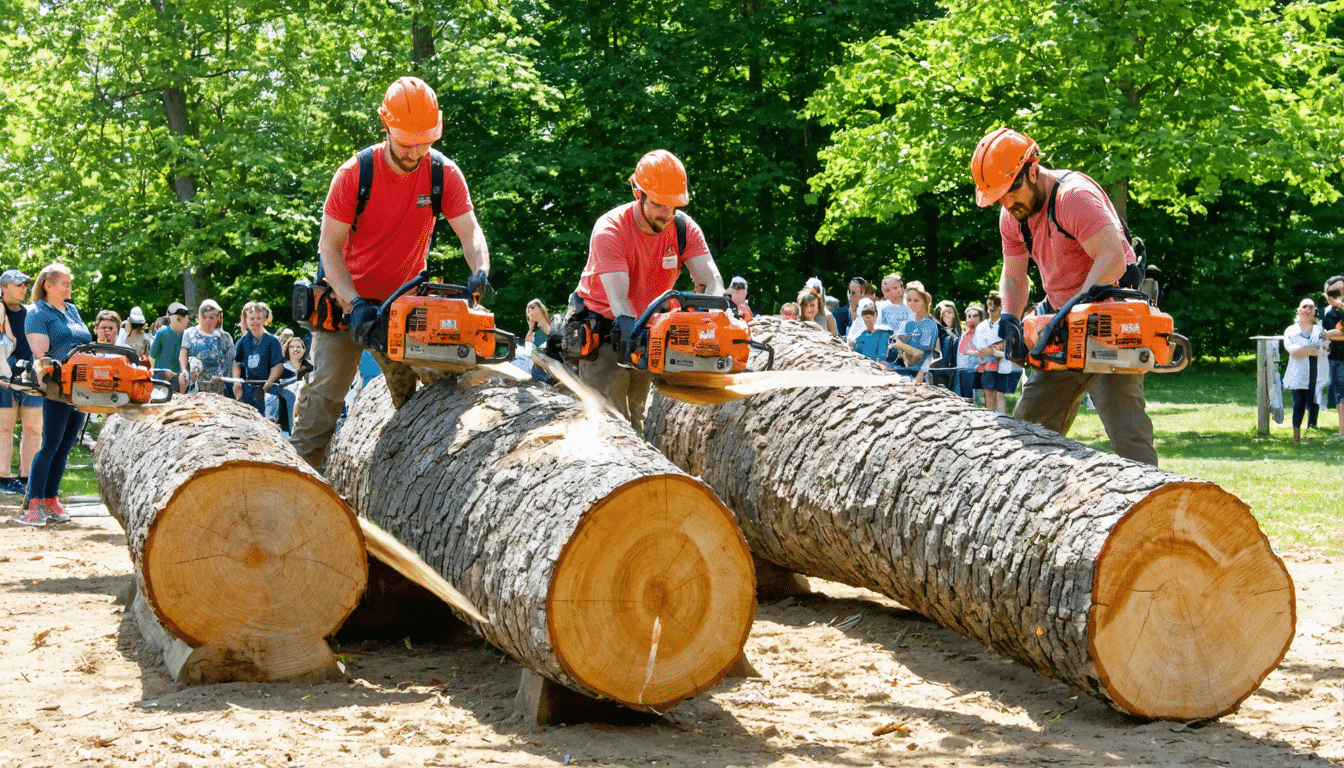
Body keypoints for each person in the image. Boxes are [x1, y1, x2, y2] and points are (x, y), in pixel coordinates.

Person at [290, 75, 491, 469]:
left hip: (405, 301)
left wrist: (479, 271)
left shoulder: (443, 174)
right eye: (406, 141)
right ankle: (296, 484)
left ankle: (412, 475)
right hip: (347, 299)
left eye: (425, 141)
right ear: (386, 127)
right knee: (325, 398)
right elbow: (328, 249)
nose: (416, 151)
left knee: (427, 386)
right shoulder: (355, 174)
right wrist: (355, 303)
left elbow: (470, 234)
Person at [971, 127, 1156, 465]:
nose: (1007, 202)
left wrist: (1071, 312)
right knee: (1028, 431)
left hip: (1110, 321)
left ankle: (1152, 509)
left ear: (1032, 168)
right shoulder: (1013, 215)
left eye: (1012, 190)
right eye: (999, 197)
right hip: (1062, 322)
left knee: (1127, 435)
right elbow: (1014, 275)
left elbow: (1112, 260)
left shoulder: (1073, 197)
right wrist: (1011, 320)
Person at [568, 149, 725, 428]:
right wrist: (631, 329)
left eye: (673, 206)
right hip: (607, 326)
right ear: (638, 194)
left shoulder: (683, 230)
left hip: (650, 328)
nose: (667, 214)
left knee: (640, 418)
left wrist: (709, 315)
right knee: (609, 418)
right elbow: (620, 301)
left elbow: (711, 279)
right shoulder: (611, 229)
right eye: (659, 204)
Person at [13, 264, 93, 527]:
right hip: (56, 384)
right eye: (65, 284)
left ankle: (50, 498)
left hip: (82, 384)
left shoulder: (72, 310)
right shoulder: (37, 312)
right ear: (48, 285)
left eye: (70, 283)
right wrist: (71, 356)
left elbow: (85, 340)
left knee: (65, 444)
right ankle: (33, 502)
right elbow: (41, 350)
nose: (69, 288)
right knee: (50, 444)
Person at [0, 270, 41, 496]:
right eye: (19, 284)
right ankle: (3, 479)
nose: (24, 288)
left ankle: (27, 478)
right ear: (4, 287)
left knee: (33, 430)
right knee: (3, 430)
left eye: (26, 285)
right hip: (2, 381)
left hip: (30, 380)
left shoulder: (31, 313)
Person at [1283, 298, 1326, 444]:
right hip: (1298, 373)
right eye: (1304, 307)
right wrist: (1311, 349)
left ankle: (1312, 426)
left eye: (1311, 307)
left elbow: (1323, 350)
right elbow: (1292, 351)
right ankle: (1296, 437)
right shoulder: (1291, 330)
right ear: (1299, 310)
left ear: (1314, 311)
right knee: (1299, 404)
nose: (1308, 310)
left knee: (1314, 401)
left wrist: (1304, 349)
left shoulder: (1319, 330)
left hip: (1316, 373)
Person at [232, 301, 285, 416]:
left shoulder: (273, 341)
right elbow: (237, 364)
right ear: (246, 321)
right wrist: (236, 381)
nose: (254, 321)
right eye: (251, 318)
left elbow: (278, 365)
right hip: (248, 388)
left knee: (268, 420)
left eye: (258, 318)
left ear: (264, 319)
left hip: (269, 388)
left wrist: (268, 384)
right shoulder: (242, 342)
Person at [178, 299, 235, 394]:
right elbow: (183, 354)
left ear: (218, 318)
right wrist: (184, 371)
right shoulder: (189, 333)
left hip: (219, 388)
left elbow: (231, 363)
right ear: (199, 317)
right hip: (196, 386)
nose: (207, 321)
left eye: (211, 317)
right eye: (204, 317)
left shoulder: (225, 337)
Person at [890, 281, 938, 381]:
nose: (911, 303)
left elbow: (920, 354)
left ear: (924, 302)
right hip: (902, 369)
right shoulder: (907, 324)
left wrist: (900, 345)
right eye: (909, 300)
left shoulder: (929, 325)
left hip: (919, 374)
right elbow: (898, 350)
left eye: (916, 300)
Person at [1322, 274, 1344, 439]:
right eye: (1332, 293)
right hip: (1333, 358)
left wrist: (1329, 334)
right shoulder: (1328, 313)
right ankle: (1342, 431)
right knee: (1339, 395)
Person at [150, 302, 190, 383]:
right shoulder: (162, 332)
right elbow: (152, 356)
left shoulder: (187, 335)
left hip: (173, 379)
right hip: (164, 377)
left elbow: (152, 356)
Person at [277, 336, 310, 434]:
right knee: (291, 393)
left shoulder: (309, 367)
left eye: (298, 347)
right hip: (286, 393)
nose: (295, 349)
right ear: (287, 350)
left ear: (303, 350)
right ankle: (294, 430)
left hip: (304, 392)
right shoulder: (281, 367)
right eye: (292, 347)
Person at [955, 303, 985, 400]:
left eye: (975, 316)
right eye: (969, 316)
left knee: (978, 401)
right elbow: (963, 350)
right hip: (962, 371)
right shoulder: (964, 333)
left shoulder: (984, 332)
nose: (971, 318)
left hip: (977, 371)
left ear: (981, 317)